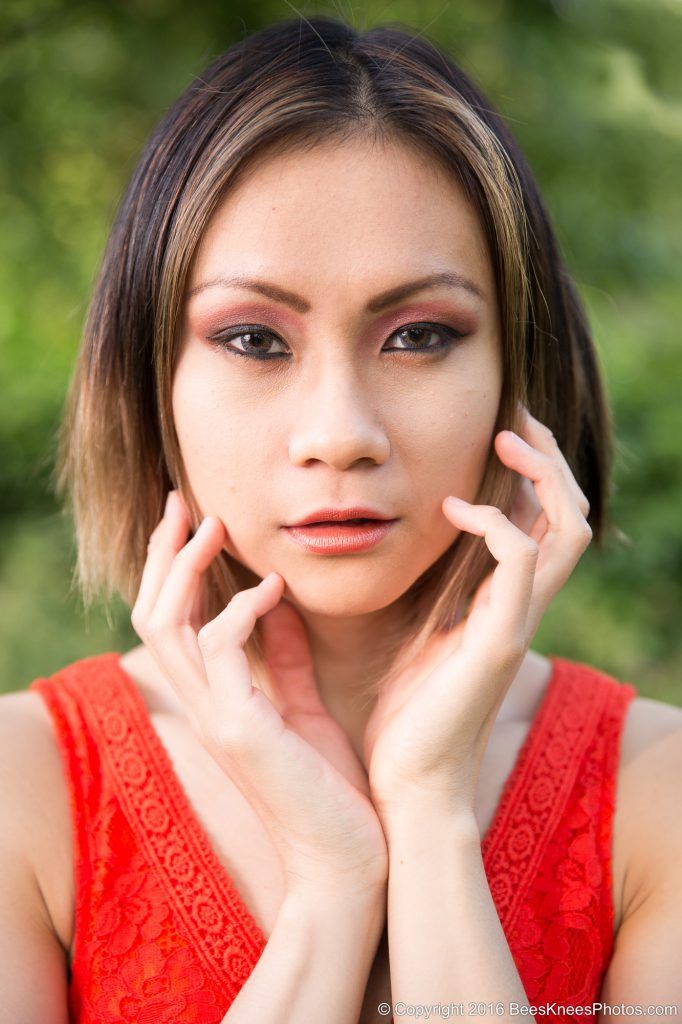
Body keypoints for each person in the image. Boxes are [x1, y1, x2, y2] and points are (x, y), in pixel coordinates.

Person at [1, 14, 680, 1024]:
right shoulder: (27, 791)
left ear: (516, 374)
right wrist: (332, 885)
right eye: (251, 338)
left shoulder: (656, 795)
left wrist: (432, 816)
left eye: (417, 335)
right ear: (151, 382)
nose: (339, 433)